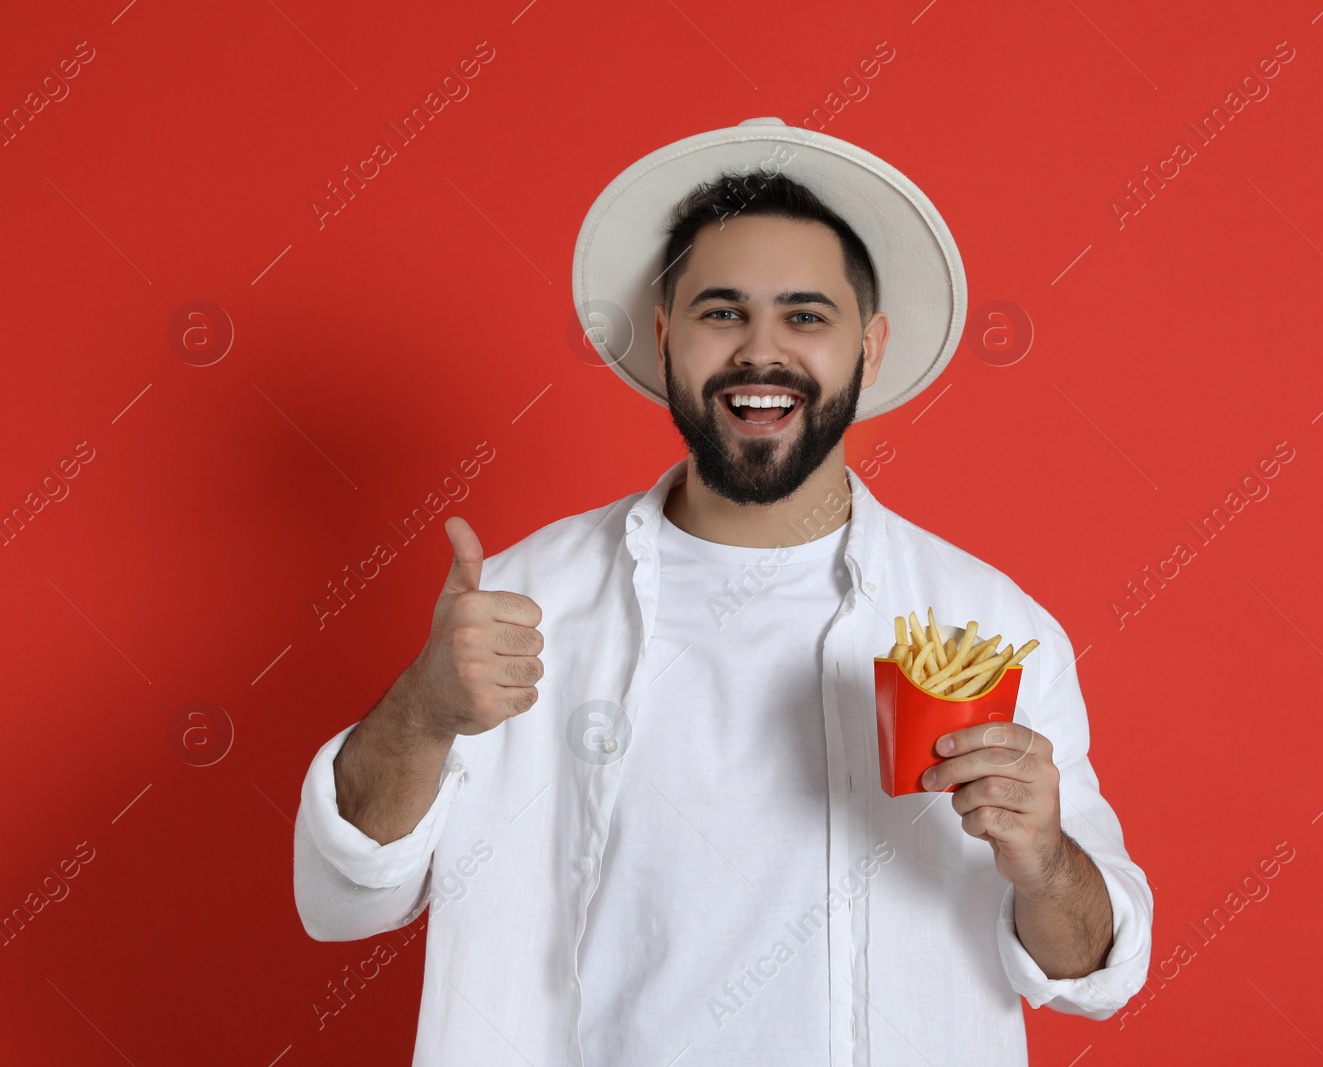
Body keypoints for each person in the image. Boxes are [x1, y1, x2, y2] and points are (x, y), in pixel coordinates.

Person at [293, 117, 1153, 1066]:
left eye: (806, 315)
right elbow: (341, 901)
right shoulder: (521, 602)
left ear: (868, 348)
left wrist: (1043, 860)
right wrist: (423, 709)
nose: (760, 350)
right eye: (721, 311)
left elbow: (1093, 973)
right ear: (666, 338)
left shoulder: (988, 625)